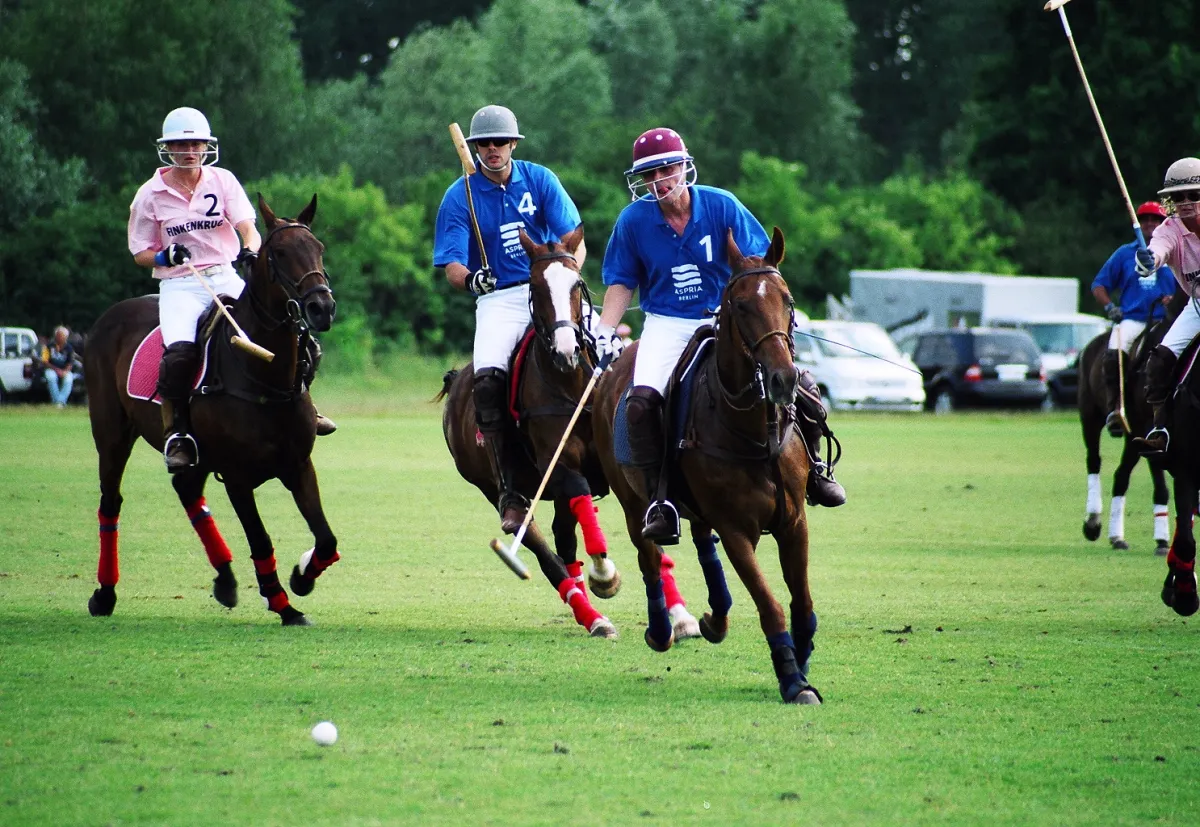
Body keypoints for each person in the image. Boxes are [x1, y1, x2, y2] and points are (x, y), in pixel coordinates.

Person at [593, 127, 845, 545]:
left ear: (684, 167)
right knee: (640, 404)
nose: (661, 181)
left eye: (667, 169)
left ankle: (816, 470)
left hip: (727, 317)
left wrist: (767, 314)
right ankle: (662, 502)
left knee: (801, 384)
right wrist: (604, 330)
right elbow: (621, 281)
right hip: (667, 323)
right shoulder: (633, 220)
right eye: (651, 174)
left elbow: (760, 265)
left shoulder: (721, 205)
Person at [433, 105, 587, 533]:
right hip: (499, 297)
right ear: (476, 147)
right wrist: (473, 281)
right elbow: (451, 265)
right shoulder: (459, 195)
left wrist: (566, 274)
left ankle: (615, 455)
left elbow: (575, 239)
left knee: (608, 354)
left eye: (500, 142)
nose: (492, 149)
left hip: (551, 287)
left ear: (514, 144)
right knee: (487, 380)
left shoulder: (539, 179)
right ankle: (512, 491)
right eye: (484, 143)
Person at [128, 107, 263, 472]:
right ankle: (178, 433)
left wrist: (251, 248)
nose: (189, 150)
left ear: (206, 146)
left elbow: (247, 226)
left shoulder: (223, 181)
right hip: (181, 284)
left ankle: (301, 408)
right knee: (180, 353)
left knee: (269, 331)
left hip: (224, 274)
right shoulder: (149, 195)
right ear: (168, 149)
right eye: (181, 144)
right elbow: (139, 252)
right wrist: (163, 254)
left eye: (196, 143)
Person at [1130, 158, 1200, 455]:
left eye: (1193, 195)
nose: (1185, 202)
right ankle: (1161, 429)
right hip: (1197, 307)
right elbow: (1157, 251)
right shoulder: (1168, 229)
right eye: (1178, 196)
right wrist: (1148, 261)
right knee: (1158, 360)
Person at [1090, 200, 1176, 436]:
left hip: (1168, 320)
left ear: (1163, 223)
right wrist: (1110, 307)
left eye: (1155, 219)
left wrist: (1175, 297)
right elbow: (1099, 285)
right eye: (1145, 219)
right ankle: (1115, 409)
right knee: (1116, 350)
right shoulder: (1125, 254)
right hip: (1135, 319)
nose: (1150, 223)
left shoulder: (1174, 249)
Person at [41, 326, 76, 408]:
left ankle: (60, 402)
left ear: (65, 337)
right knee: (51, 377)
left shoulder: (69, 348)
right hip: (51, 369)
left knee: (69, 379)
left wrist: (65, 371)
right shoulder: (48, 346)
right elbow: (45, 361)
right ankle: (58, 402)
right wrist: (57, 370)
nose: (59, 337)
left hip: (64, 370)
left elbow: (70, 363)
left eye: (61, 335)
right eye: (58, 335)